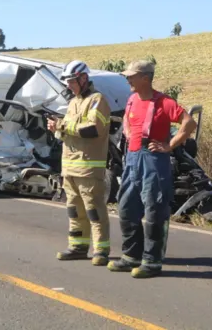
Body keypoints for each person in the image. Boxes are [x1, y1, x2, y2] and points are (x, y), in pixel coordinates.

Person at [107, 59, 197, 278]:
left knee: (154, 210)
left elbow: (189, 123)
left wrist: (170, 145)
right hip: (132, 159)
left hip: (154, 161)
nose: (128, 79)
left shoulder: (164, 102)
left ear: (145, 78)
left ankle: (152, 261)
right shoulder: (132, 100)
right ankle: (131, 257)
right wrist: (129, 136)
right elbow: (128, 124)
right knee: (126, 208)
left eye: (131, 76)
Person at [47, 60, 113, 266]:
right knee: (74, 210)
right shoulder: (73, 102)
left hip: (88, 168)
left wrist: (63, 125)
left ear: (84, 78)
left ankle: (100, 250)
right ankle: (78, 246)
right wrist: (56, 129)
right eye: (67, 82)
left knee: (94, 209)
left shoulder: (97, 100)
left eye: (72, 81)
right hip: (70, 168)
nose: (69, 85)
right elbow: (68, 133)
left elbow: (93, 129)